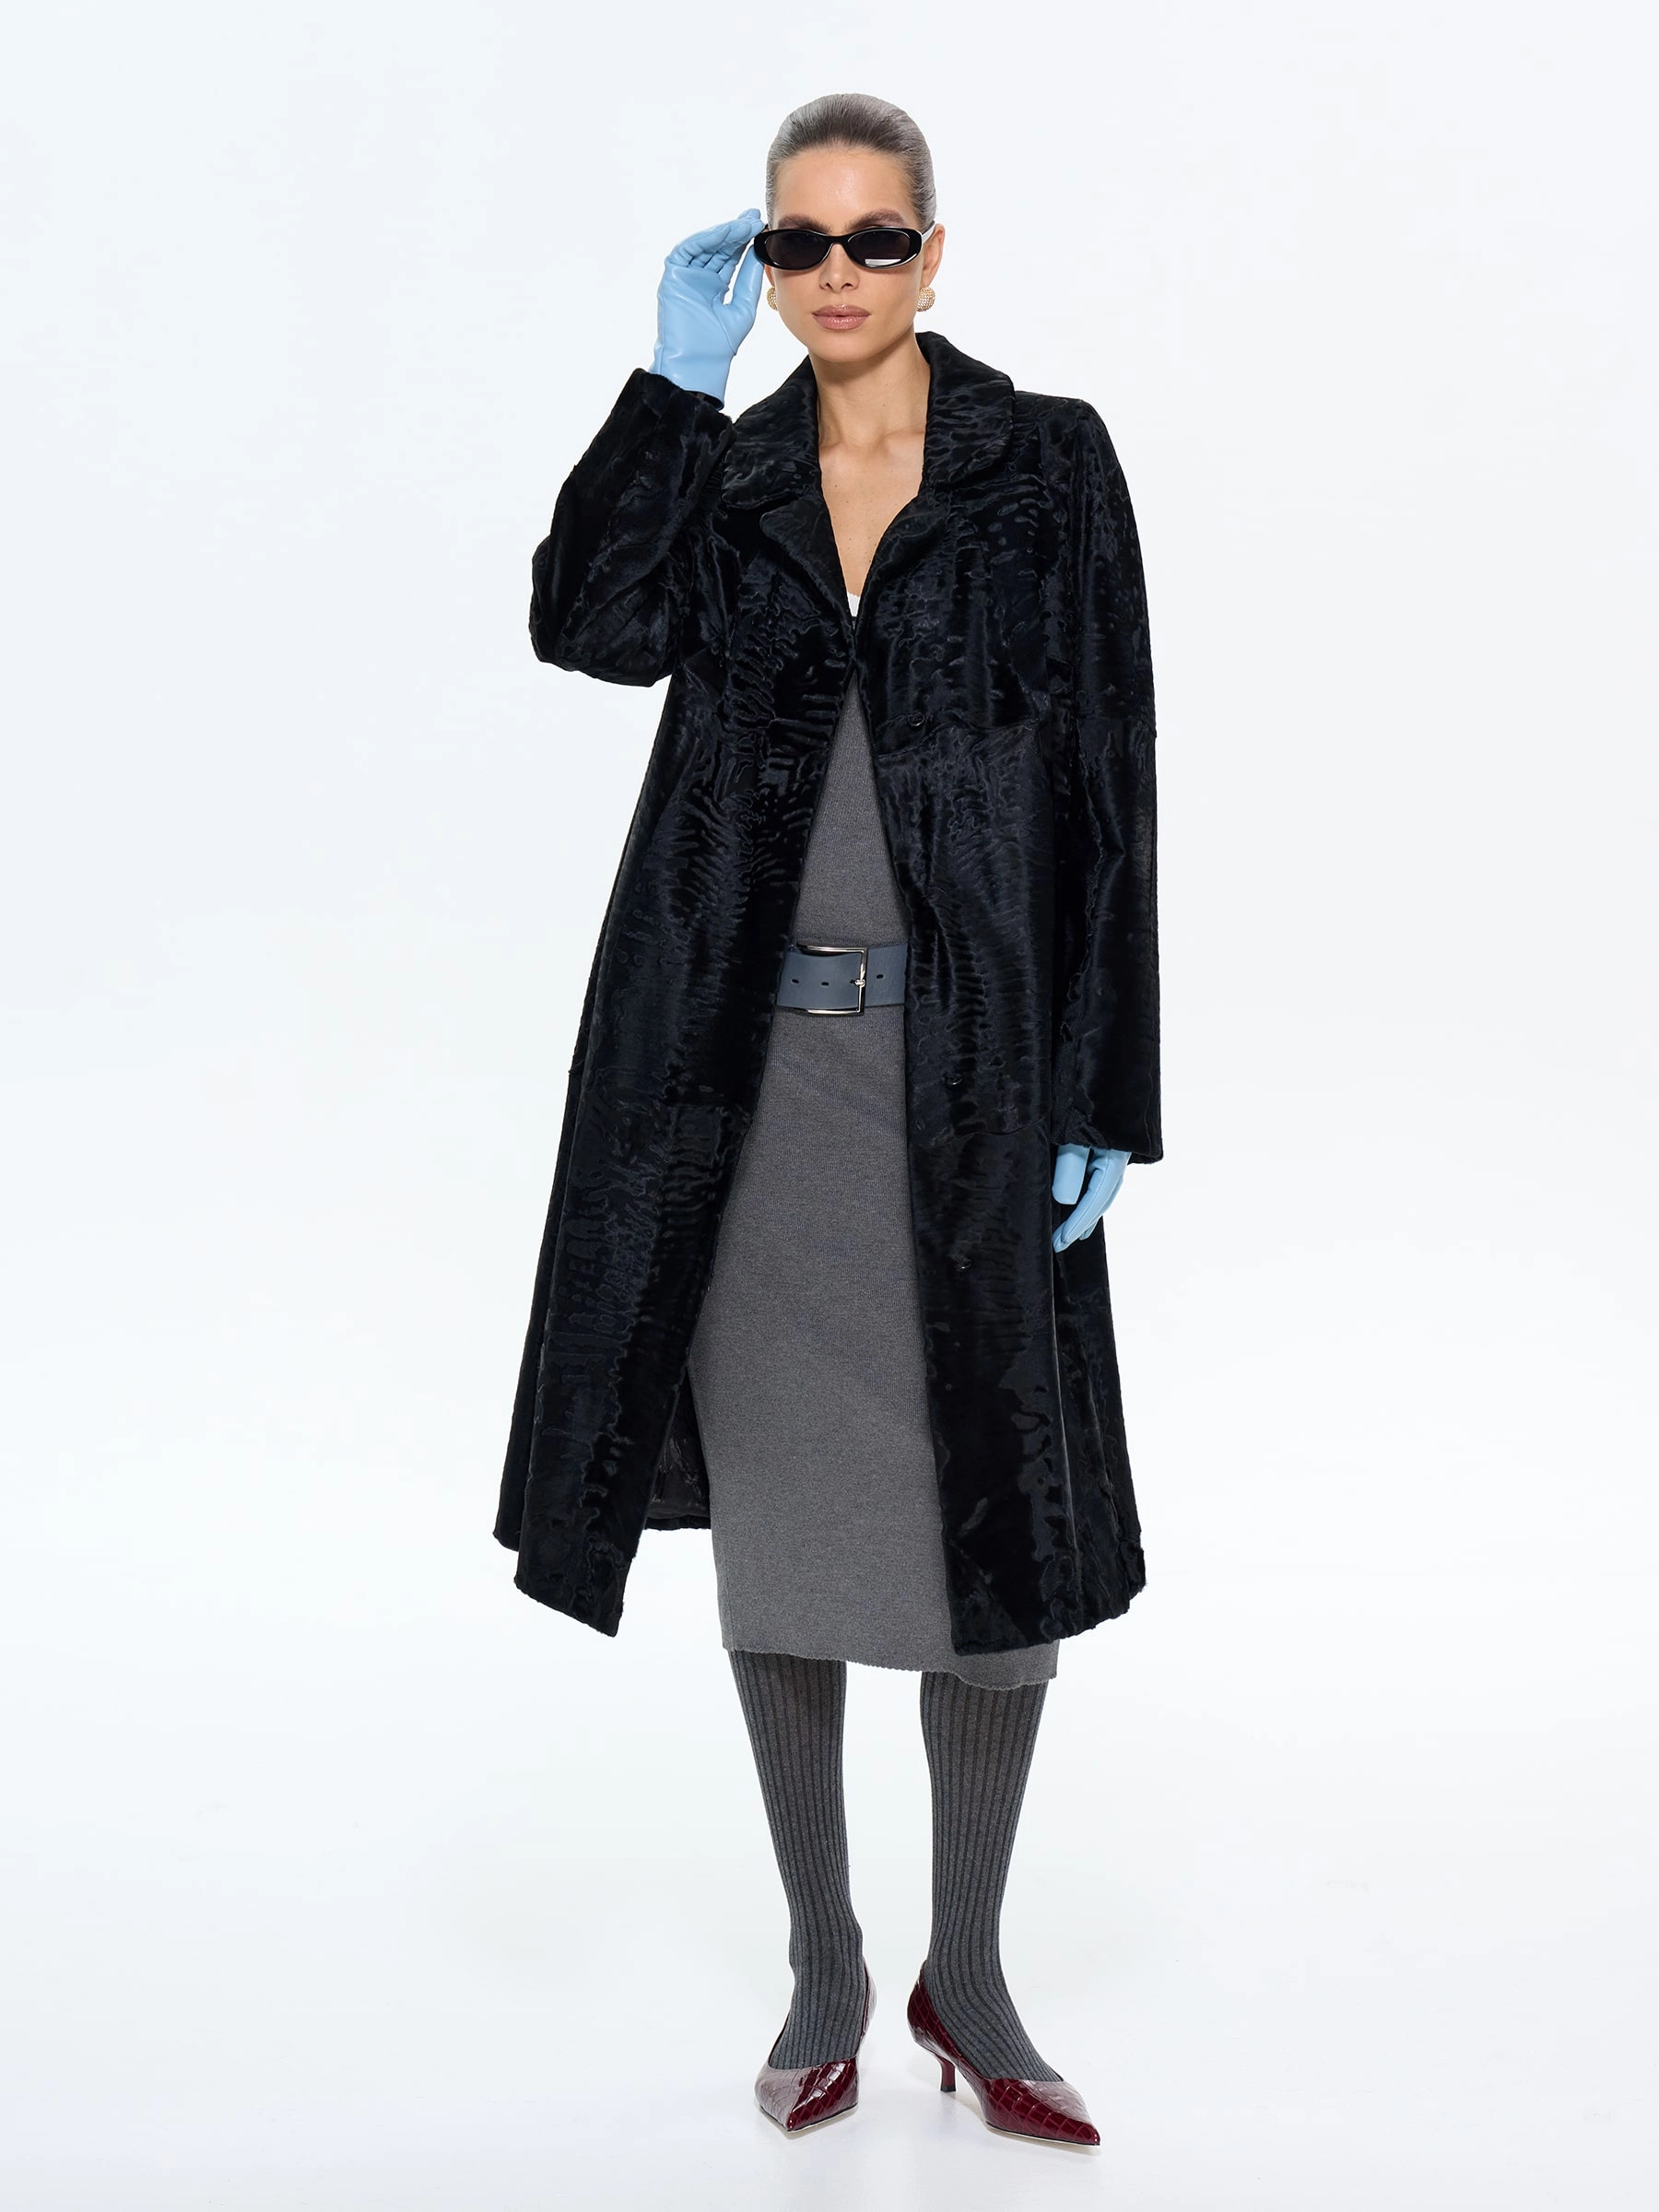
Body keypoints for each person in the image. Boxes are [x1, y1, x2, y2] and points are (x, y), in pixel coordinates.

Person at [495, 91, 1160, 2147]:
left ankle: (974, 1972)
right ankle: (825, 1961)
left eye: (877, 240)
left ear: (934, 254)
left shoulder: (1049, 466)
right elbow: (586, 628)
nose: (839, 276)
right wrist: (669, 389)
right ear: (764, 269)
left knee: (999, 1549)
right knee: (785, 1540)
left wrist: (1108, 1087)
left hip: (977, 1081)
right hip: (745, 1085)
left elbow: (1116, 780)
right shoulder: (730, 473)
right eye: (800, 245)